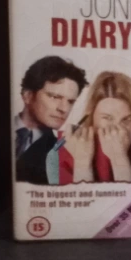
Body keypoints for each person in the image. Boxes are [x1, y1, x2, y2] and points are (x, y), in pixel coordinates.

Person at [53, 71, 131, 185]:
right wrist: (82, 163)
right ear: (91, 118)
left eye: (128, 119)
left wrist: (119, 157)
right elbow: (86, 197)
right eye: (107, 118)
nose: (117, 130)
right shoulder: (55, 156)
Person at [14, 56, 88, 184]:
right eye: (54, 97)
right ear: (28, 96)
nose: (64, 109)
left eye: (70, 101)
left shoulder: (64, 151)